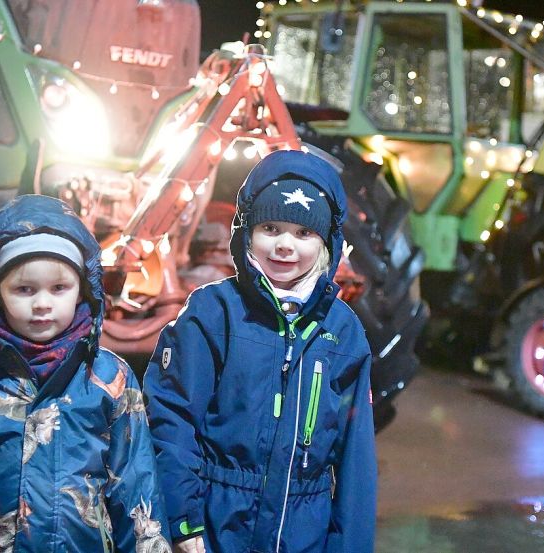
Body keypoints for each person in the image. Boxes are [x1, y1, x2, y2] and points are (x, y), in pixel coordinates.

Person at [0, 195, 171, 553]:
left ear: (82, 290)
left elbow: (135, 484)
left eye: (59, 288)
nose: (41, 304)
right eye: (24, 289)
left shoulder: (109, 378)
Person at [144, 150, 377, 553]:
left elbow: (356, 460)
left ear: (326, 242)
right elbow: (172, 419)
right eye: (271, 227)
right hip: (215, 527)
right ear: (247, 231)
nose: (285, 245)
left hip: (304, 532)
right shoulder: (213, 314)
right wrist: (182, 520)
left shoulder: (344, 334)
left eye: (304, 233)